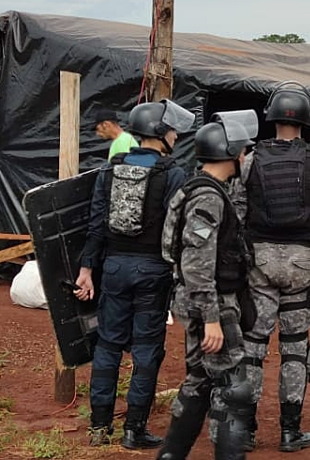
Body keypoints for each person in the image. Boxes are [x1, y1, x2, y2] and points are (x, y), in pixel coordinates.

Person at [232, 82, 310, 453]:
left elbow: (236, 215)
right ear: (306, 120)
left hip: (259, 263)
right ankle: (289, 431)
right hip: (302, 264)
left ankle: (245, 430)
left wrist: (236, 265)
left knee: (253, 348)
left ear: (271, 116)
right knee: (295, 350)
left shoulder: (250, 160)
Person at [74, 99, 194, 449]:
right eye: (171, 128)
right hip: (153, 270)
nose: (175, 133)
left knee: (108, 346)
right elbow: (176, 228)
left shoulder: (111, 169)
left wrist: (86, 269)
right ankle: (134, 429)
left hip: (112, 267)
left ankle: (98, 428)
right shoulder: (173, 173)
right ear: (160, 132)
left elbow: (96, 223)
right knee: (145, 349)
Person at [156, 111, 258, 460]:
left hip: (201, 301)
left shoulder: (197, 188)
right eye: (241, 150)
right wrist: (212, 318)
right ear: (228, 152)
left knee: (199, 381)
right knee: (233, 389)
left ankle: (170, 455)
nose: (244, 156)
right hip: (211, 305)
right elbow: (197, 263)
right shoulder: (208, 198)